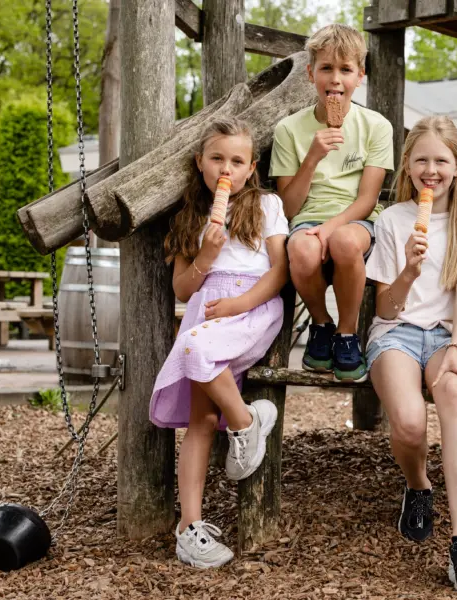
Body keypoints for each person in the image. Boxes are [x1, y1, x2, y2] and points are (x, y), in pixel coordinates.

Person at [150, 117, 289, 568]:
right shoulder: (189, 217)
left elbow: (279, 272)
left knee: (191, 350)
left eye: (237, 160)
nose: (225, 168)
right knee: (201, 421)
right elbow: (183, 290)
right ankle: (190, 528)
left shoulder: (267, 205)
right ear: (200, 162)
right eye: (216, 158)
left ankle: (245, 424)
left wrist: (239, 302)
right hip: (204, 316)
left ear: (251, 168)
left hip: (251, 309)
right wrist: (206, 257)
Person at [365, 116, 457, 591]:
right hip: (396, 332)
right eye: (421, 159)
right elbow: (384, 305)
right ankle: (418, 485)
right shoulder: (393, 219)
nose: (431, 169)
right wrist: (407, 270)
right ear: (408, 165)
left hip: (447, 334)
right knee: (410, 423)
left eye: (441, 160)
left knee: (456, 394)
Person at [270, 23, 393, 382]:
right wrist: (312, 158)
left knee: (342, 241)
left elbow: (368, 199)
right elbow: (289, 208)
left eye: (345, 70)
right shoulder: (289, 130)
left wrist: (329, 229)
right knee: (303, 249)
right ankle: (322, 324)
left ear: (360, 76)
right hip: (306, 220)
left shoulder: (376, 126)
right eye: (326, 68)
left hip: (357, 221)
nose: (335, 79)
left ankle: (347, 332)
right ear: (311, 74)